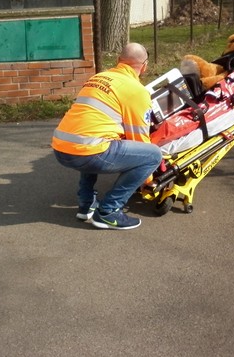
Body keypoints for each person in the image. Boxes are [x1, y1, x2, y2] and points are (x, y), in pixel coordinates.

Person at [51, 42, 162, 230]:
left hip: (61, 148)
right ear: (144, 66)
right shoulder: (137, 91)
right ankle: (108, 212)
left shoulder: (98, 78)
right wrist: (147, 179)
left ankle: (86, 204)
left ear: (119, 60)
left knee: (93, 140)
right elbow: (139, 137)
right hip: (87, 152)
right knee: (153, 155)